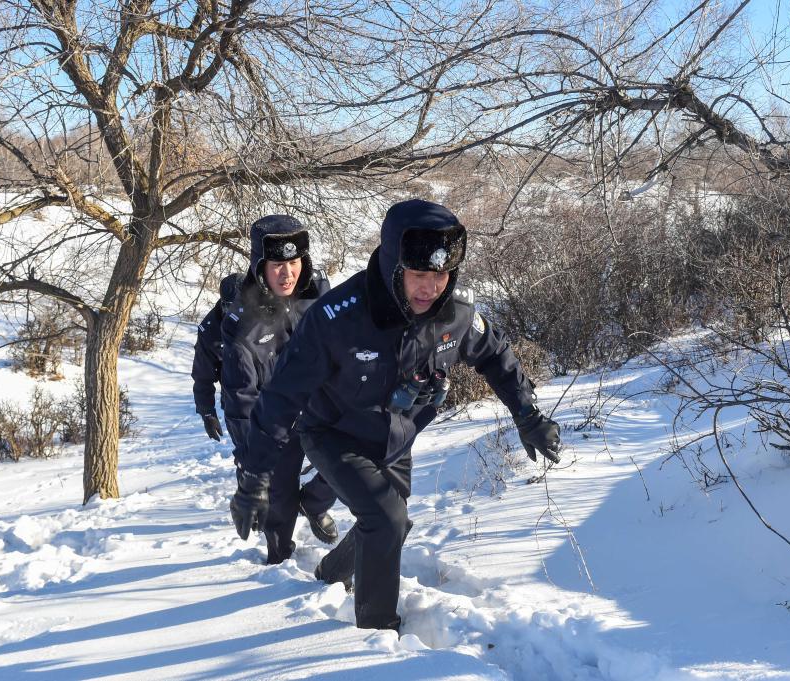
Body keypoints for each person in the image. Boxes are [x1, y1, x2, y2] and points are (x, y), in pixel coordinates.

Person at [229, 199, 560, 630]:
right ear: (393, 266)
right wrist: (255, 478)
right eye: (419, 275)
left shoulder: (455, 312)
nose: (430, 287)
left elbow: (495, 355)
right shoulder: (336, 319)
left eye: (439, 275)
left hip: (398, 433)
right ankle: (376, 632)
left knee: (394, 523)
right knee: (384, 519)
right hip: (334, 432)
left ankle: (331, 573)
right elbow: (279, 400)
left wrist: (527, 415)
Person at [192, 214, 339, 564]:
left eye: (294, 263)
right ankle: (279, 560)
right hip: (271, 414)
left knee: (349, 465)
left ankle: (314, 503)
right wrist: (206, 404)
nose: (287, 274)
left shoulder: (318, 291)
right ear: (260, 265)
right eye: (276, 265)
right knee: (279, 492)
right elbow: (239, 397)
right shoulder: (241, 321)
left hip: (317, 404)